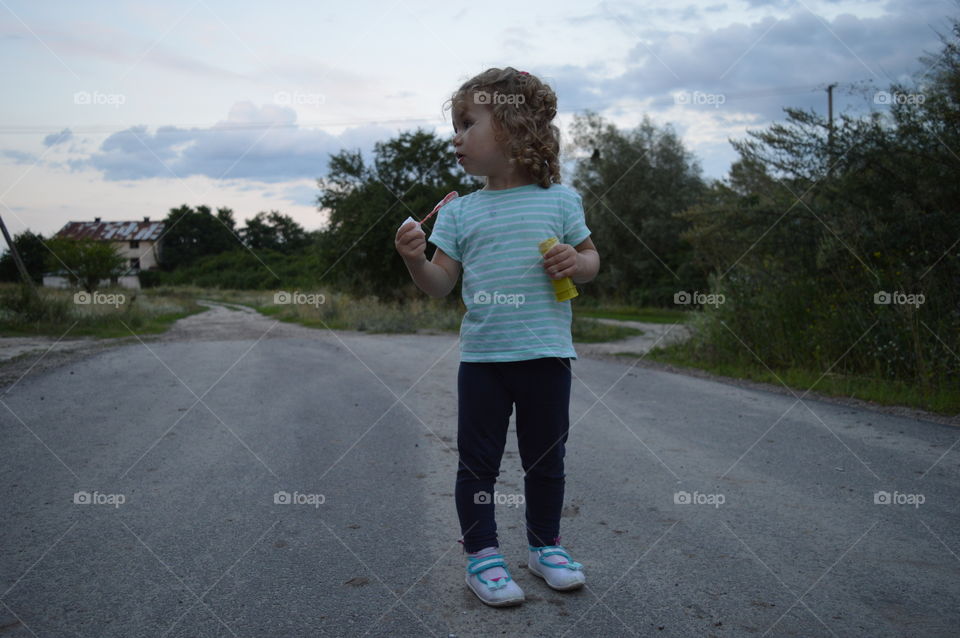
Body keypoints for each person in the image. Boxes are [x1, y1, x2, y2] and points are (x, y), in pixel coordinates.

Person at [394, 67, 600, 607]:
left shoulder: (560, 200)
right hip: (485, 359)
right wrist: (415, 259)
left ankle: (545, 547)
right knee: (477, 462)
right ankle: (482, 556)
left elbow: (593, 262)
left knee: (546, 460)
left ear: (511, 126)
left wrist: (575, 262)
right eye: (455, 126)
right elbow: (440, 285)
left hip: (548, 357)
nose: (455, 137)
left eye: (468, 123)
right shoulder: (460, 211)